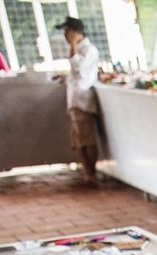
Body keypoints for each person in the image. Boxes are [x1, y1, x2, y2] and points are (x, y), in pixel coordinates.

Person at [55, 17, 100, 187]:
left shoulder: (89, 50)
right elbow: (75, 74)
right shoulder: (80, 49)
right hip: (74, 100)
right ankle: (87, 173)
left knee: (87, 139)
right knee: (78, 142)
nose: (65, 36)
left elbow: (79, 69)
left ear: (76, 32)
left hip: (83, 101)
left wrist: (73, 46)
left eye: (67, 32)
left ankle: (92, 174)